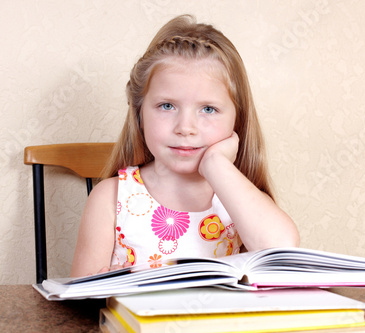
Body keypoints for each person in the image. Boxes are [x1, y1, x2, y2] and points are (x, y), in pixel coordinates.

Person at [70, 15, 299, 277]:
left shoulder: (238, 197)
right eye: (167, 106)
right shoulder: (111, 198)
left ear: (237, 119)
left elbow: (282, 251)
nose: (185, 127)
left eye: (209, 109)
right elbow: (79, 302)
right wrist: (110, 288)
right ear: (139, 113)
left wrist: (216, 165)